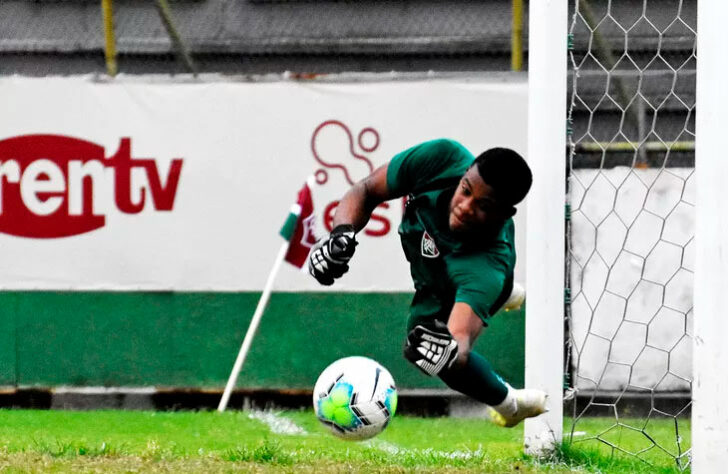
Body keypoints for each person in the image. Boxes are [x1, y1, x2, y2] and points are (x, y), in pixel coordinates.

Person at [308, 138, 547, 427]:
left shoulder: (485, 267)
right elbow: (367, 189)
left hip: (459, 282)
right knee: (433, 345)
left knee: (432, 353)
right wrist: (341, 234)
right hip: (430, 262)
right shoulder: (441, 158)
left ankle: (511, 406)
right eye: (465, 190)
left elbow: (459, 342)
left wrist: (448, 351)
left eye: (482, 205)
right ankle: (506, 294)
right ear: (464, 174)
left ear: (504, 214)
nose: (465, 206)